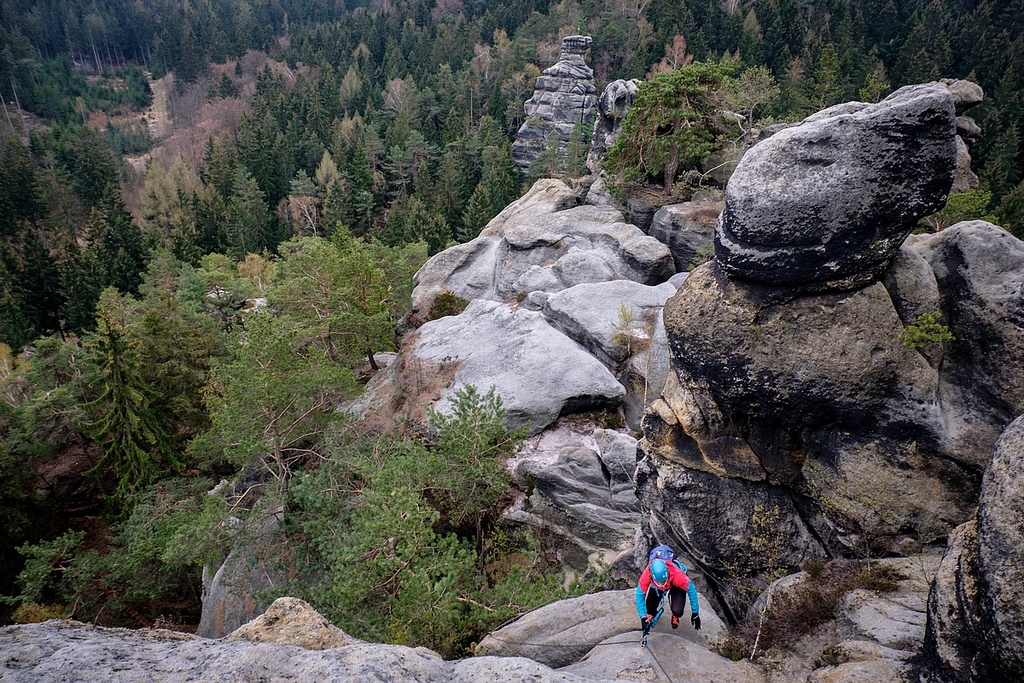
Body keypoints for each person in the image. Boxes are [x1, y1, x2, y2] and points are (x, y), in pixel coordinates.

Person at [635, 558, 701, 632]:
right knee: (649, 608)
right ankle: (653, 613)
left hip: (675, 584)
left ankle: (675, 615)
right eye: (659, 582)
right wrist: (643, 617)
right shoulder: (647, 574)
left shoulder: (678, 575)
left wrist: (695, 612)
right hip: (656, 585)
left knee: (677, 610)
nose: (661, 584)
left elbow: (691, 590)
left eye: (663, 582)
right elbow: (639, 595)